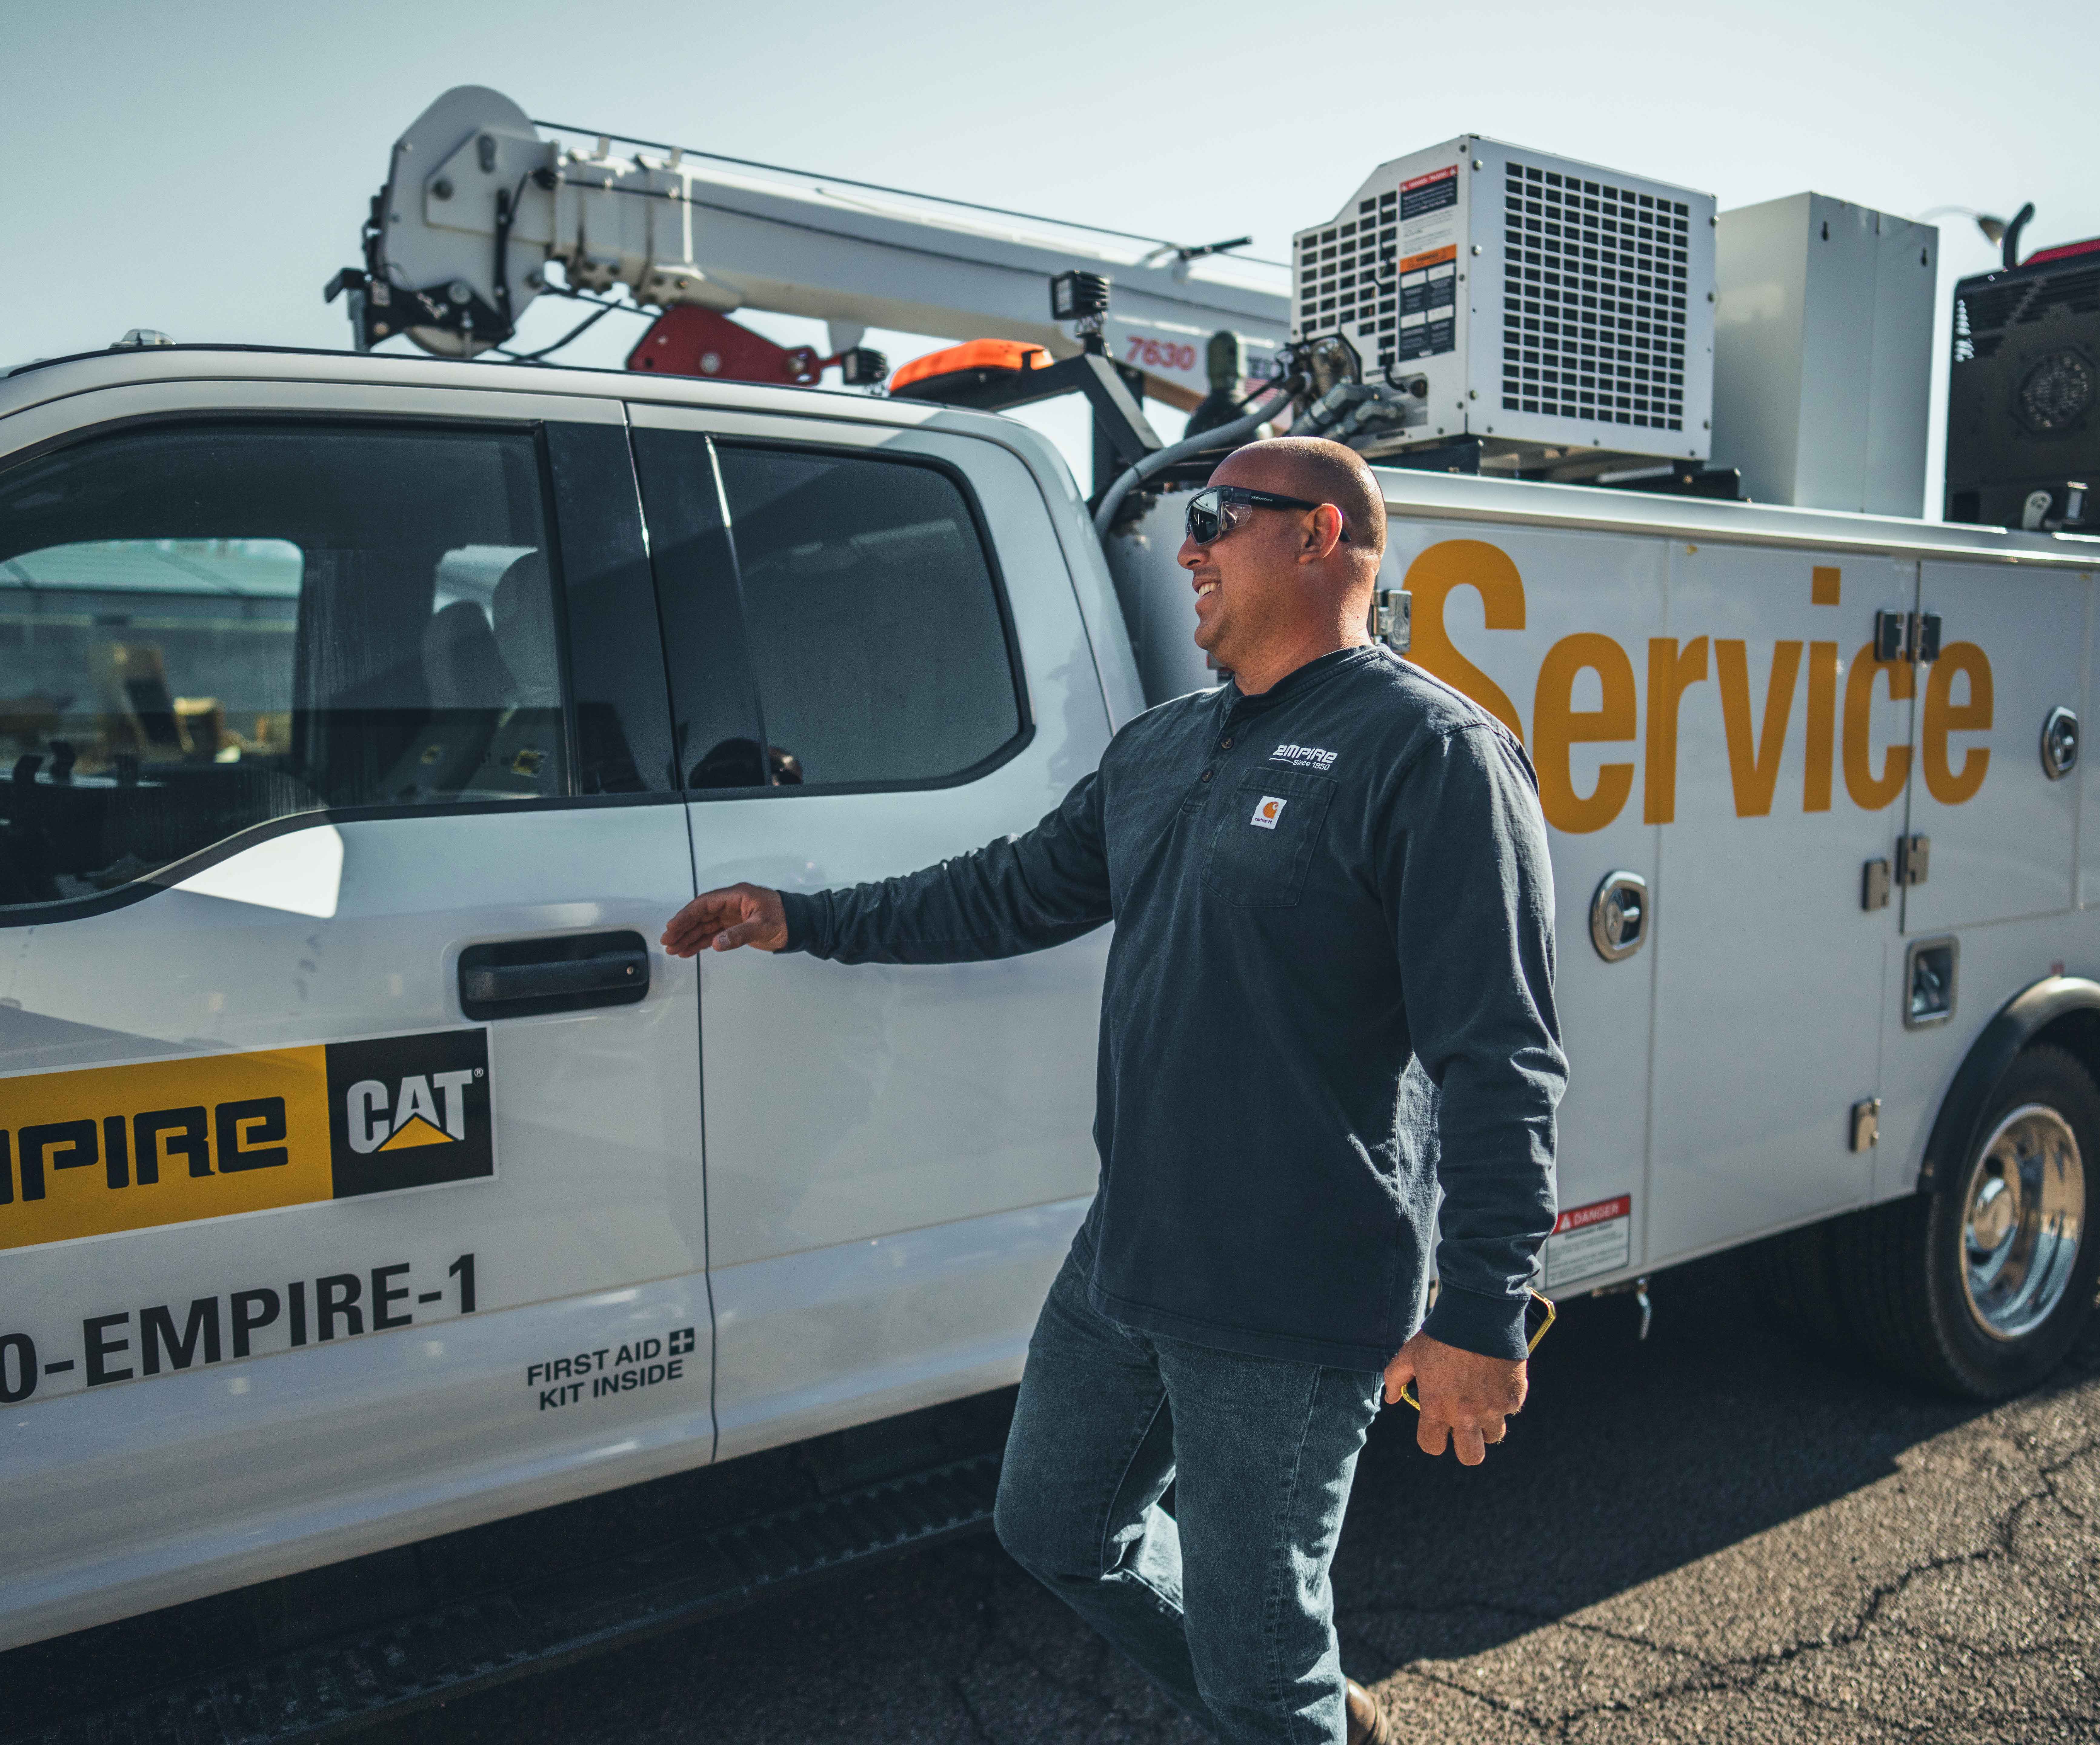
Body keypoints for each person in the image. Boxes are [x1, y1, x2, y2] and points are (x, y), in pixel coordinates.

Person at [661, 435, 1564, 1745]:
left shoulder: (1430, 753)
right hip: (1130, 1253)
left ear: (1318, 538)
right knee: (1058, 1527)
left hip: (1289, 1287)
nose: (1185, 550)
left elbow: (1504, 1052)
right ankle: (1308, 1707)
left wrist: (1483, 1311)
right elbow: (1006, 890)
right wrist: (798, 918)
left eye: (1217, 519)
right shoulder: (1163, 749)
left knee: (1257, 1672)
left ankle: (1289, 1704)